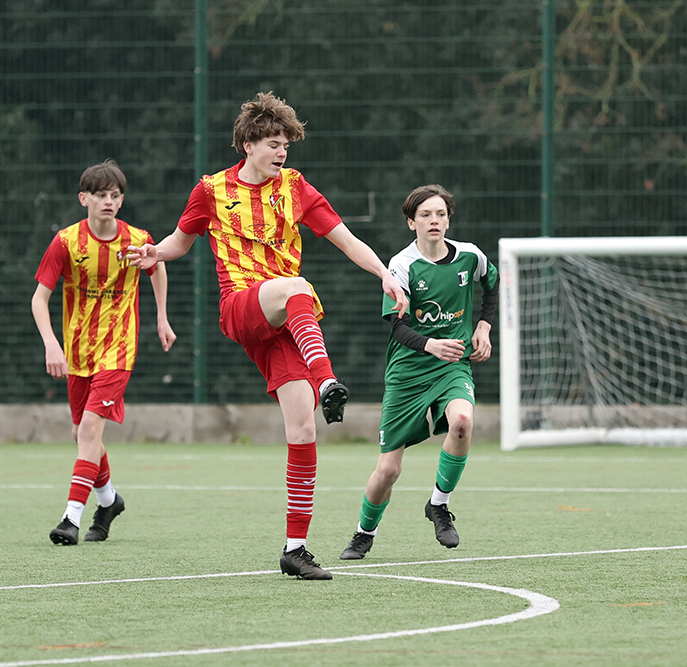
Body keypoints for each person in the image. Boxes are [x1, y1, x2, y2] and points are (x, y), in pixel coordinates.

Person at [127, 92, 407, 580]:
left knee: (303, 430)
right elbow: (180, 241)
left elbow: (345, 239)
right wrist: (157, 253)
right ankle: (327, 379)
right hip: (241, 306)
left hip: (284, 322)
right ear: (248, 145)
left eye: (286, 146)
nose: (282, 153)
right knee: (296, 286)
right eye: (274, 144)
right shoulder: (211, 190)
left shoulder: (295, 187)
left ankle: (295, 549)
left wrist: (384, 273)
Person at [339, 184, 499, 561]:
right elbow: (397, 326)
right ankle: (364, 533)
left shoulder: (470, 256)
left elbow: (492, 285)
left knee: (463, 422)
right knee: (388, 470)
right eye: (425, 215)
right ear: (411, 222)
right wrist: (431, 344)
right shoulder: (402, 265)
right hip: (407, 372)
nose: (434, 221)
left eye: (440, 214)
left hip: (451, 367)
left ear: (449, 219)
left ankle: (438, 505)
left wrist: (484, 326)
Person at [32, 159, 176, 546]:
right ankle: (109, 501)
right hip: (78, 351)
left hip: (118, 349)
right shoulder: (66, 242)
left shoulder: (137, 238)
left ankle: (70, 518)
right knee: (81, 432)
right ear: (84, 199)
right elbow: (39, 298)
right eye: (100, 195)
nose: (108, 201)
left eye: (115, 195)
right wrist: (51, 343)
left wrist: (162, 316)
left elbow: (157, 267)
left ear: (122, 200)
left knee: (90, 429)